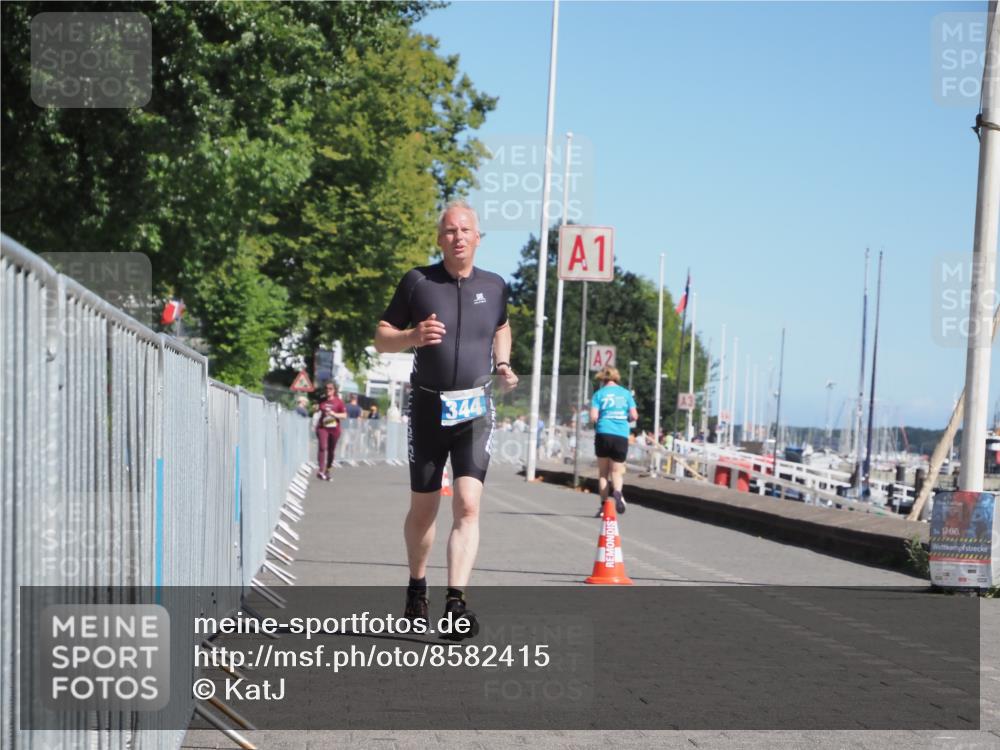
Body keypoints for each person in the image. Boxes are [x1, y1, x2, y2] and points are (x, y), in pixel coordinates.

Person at [374, 200, 517, 640]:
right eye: (449, 230)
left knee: (468, 505)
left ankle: (457, 603)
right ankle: (418, 587)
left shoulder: (495, 287)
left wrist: (503, 362)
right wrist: (412, 336)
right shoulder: (419, 282)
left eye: (465, 230)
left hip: (475, 410)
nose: (458, 237)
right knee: (425, 509)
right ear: (440, 239)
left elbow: (501, 326)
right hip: (429, 409)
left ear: (478, 238)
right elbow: (381, 338)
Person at [590, 366, 638, 517]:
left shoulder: (599, 394)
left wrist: (600, 422)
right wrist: (625, 419)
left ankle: (604, 506)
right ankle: (618, 493)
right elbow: (634, 416)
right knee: (617, 472)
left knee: (603, 473)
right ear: (617, 377)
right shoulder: (626, 394)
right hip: (620, 435)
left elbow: (593, 417)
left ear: (603, 379)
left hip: (603, 433)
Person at [315, 382, 347, 481]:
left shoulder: (339, 402)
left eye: (330, 388)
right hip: (323, 427)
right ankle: (321, 470)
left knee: (331, 451)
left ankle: (327, 470)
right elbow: (317, 408)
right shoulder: (322, 400)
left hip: (334, 429)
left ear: (334, 390)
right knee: (322, 447)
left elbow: (344, 415)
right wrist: (315, 409)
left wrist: (334, 414)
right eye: (326, 388)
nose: (328, 390)